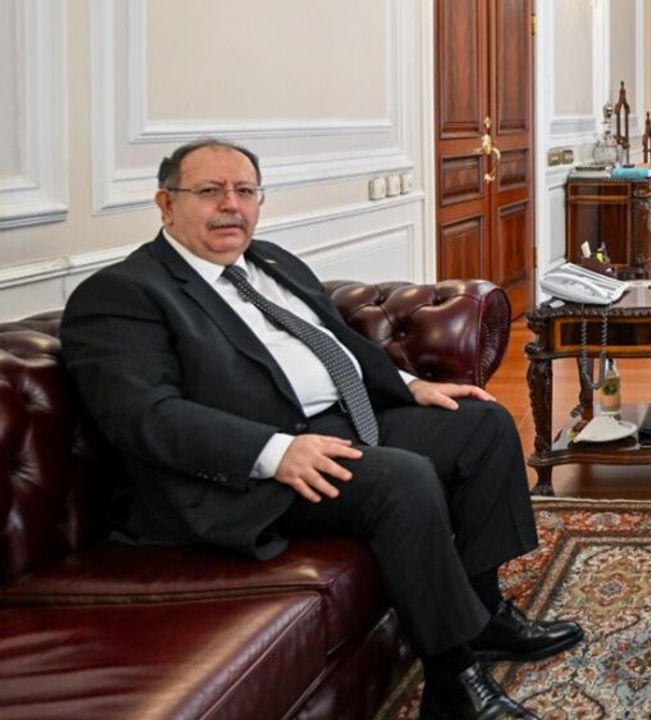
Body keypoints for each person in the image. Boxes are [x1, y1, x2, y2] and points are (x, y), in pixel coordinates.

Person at [60, 138, 579, 720]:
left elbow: (338, 341)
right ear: (165, 203)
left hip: (340, 422)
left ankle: (484, 615)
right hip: (249, 472)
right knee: (401, 480)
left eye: (245, 191)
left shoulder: (270, 261)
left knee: (482, 423)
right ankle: (451, 680)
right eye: (209, 191)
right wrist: (275, 451)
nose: (231, 205)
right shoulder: (124, 293)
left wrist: (410, 386)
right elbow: (144, 415)